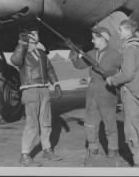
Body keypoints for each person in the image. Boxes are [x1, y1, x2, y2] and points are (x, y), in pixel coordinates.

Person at [106, 19, 139, 167]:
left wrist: (112, 79)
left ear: (130, 31)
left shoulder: (129, 49)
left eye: (121, 30)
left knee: (132, 128)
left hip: (130, 92)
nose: (119, 32)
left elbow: (127, 74)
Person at [70, 26, 126, 166]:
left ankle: (113, 153)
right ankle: (93, 151)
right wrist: (72, 50)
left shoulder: (115, 54)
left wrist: (112, 75)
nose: (92, 40)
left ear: (102, 38)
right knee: (90, 123)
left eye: (94, 38)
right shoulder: (90, 53)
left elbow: (124, 73)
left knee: (110, 123)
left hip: (108, 92)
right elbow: (78, 65)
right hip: (92, 92)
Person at [11, 25, 63, 167]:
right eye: (34, 33)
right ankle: (25, 155)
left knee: (46, 122)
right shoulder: (22, 52)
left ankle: (47, 149)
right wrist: (21, 43)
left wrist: (56, 84)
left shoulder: (41, 53)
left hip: (44, 90)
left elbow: (50, 69)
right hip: (30, 90)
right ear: (28, 36)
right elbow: (15, 61)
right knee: (32, 125)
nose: (37, 34)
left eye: (36, 32)